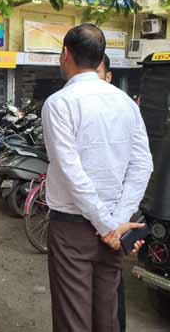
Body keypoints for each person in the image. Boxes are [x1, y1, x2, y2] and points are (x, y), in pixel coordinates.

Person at [43, 23, 153, 332]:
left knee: (73, 321)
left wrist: (108, 225)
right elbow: (142, 165)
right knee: (107, 319)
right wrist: (116, 223)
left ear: (66, 54)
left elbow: (70, 172)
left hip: (74, 230)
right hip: (114, 230)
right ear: (100, 57)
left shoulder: (59, 103)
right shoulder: (125, 103)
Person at [96, 53, 129, 332]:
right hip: (89, 223)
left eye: (96, 75)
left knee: (111, 302)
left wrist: (117, 225)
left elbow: (139, 167)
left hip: (115, 220)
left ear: (108, 78)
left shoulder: (125, 112)